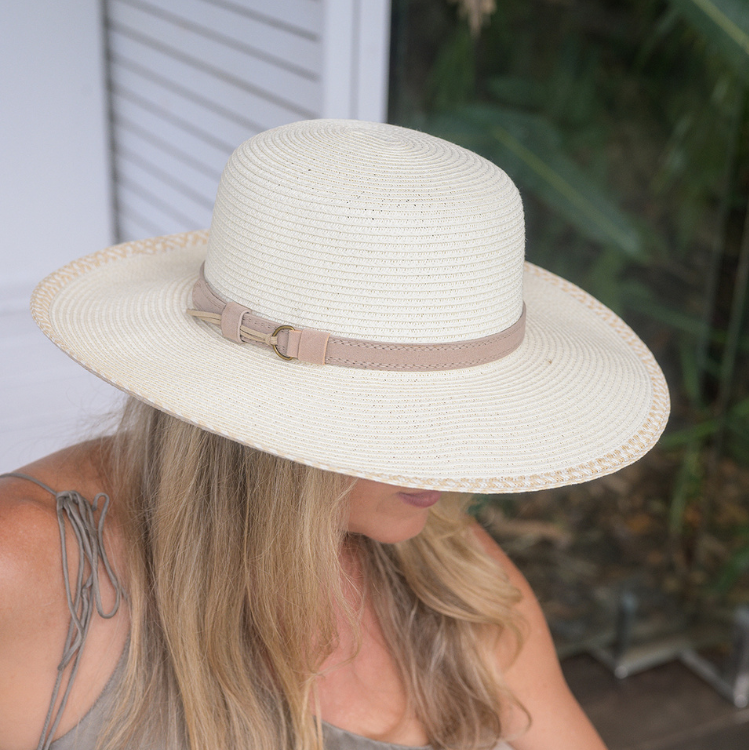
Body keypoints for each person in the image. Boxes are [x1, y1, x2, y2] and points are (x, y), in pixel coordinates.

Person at [0, 120, 669, 750]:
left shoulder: (451, 575)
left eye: (465, 413)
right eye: (411, 414)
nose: (453, 462)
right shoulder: (33, 567)